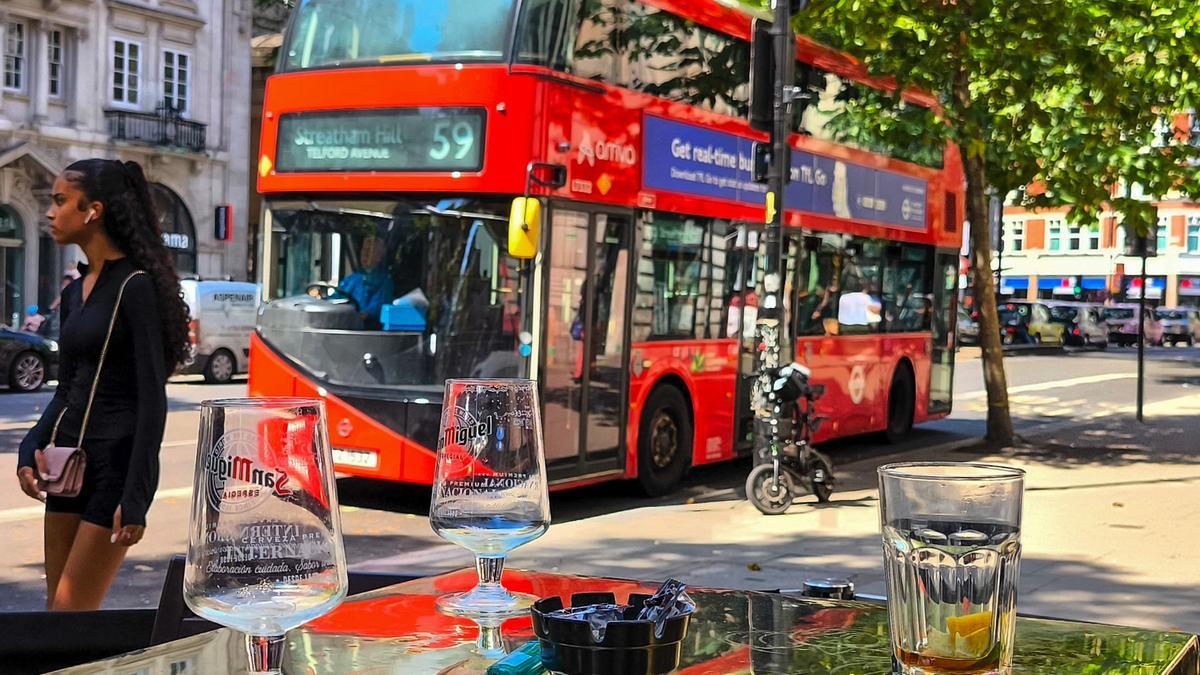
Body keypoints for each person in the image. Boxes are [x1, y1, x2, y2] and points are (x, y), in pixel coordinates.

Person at [14, 159, 189, 610]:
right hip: (66, 465)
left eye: (59, 202)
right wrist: (29, 446)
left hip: (115, 468)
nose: (50, 213)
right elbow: (66, 387)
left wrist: (138, 495)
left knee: (70, 610)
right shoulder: (75, 292)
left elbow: (152, 397)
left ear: (93, 210)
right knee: (58, 612)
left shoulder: (136, 287)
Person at [338, 236, 394, 328]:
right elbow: (337, 298)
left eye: (370, 250)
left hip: (369, 332)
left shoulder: (384, 281)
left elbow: (377, 308)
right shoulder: (352, 279)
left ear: (379, 256)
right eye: (364, 250)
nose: (365, 254)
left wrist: (361, 315)